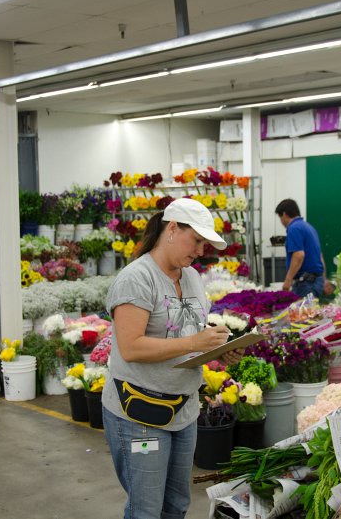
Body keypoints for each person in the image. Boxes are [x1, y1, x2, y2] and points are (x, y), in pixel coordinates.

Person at [102, 198, 241, 519]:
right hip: (138, 412)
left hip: (183, 410)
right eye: (197, 240)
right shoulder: (137, 278)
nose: (201, 250)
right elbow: (131, 347)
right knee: (146, 510)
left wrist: (220, 351)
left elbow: (187, 338)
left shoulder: (191, 277)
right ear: (172, 228)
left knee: (177, 505)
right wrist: (194, 341)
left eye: (205, 244)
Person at [274, 199, 326, 298]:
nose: (281, 222)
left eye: (280, 217)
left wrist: (288, 280)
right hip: (316, 282)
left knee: (303, 312)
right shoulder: (309, 227)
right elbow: (320, 256)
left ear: (284, 214)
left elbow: (298, 255)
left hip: (306, 284)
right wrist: (324, 279)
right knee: (311, 311)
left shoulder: (294, 228)